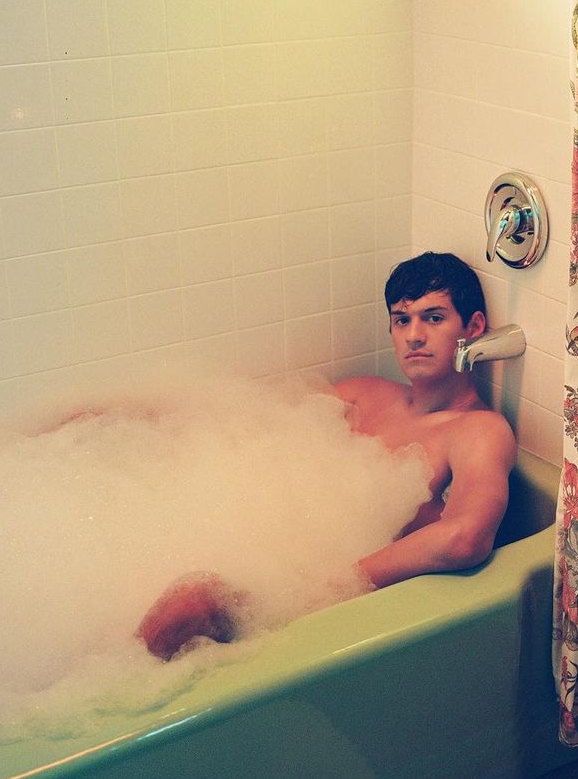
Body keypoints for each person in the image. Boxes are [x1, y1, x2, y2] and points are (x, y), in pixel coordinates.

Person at [136, 252, 518, 660]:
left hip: (343, 604)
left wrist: (338, 584)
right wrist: (138, 420)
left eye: (434, 318)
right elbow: (250, 419)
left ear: (473, 327)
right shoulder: (363, 395)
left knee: (190, 602)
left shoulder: (478, 429)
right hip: (283, 559)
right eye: (402, 320)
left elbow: (464, 537)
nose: (414, 335)